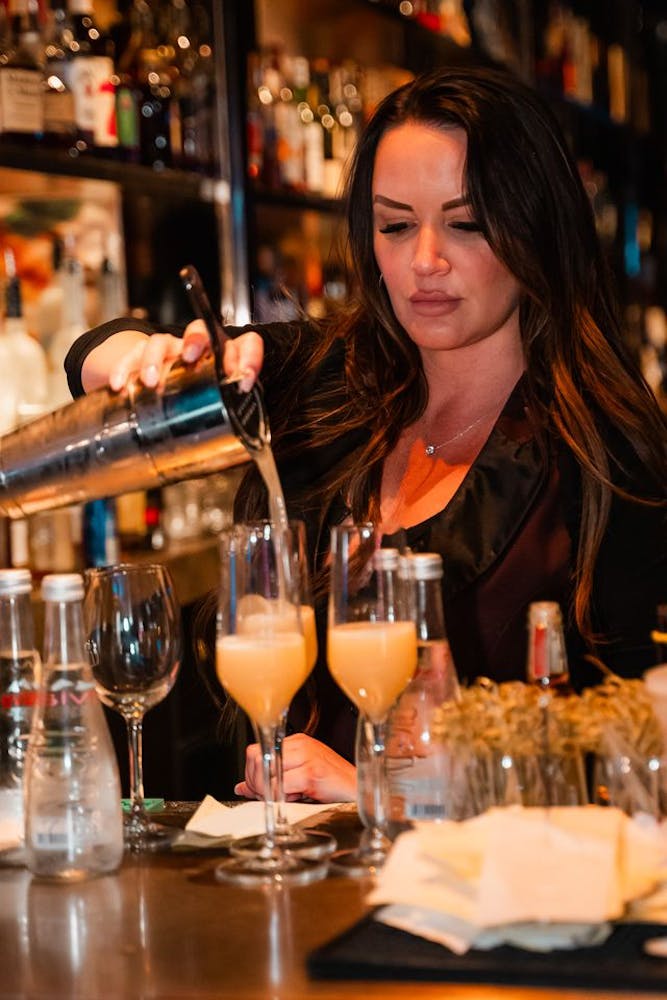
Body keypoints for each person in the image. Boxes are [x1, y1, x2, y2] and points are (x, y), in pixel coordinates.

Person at [65, 65, 666, 804]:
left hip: (478, 896)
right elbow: (96, 349)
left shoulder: (604, 449)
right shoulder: (331, 378)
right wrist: (135, 358)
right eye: (395, 225)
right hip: (290, 883)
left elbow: (639, 757)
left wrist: (376, 793)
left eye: (466, 223)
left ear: (535, 228)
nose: (424, 262)